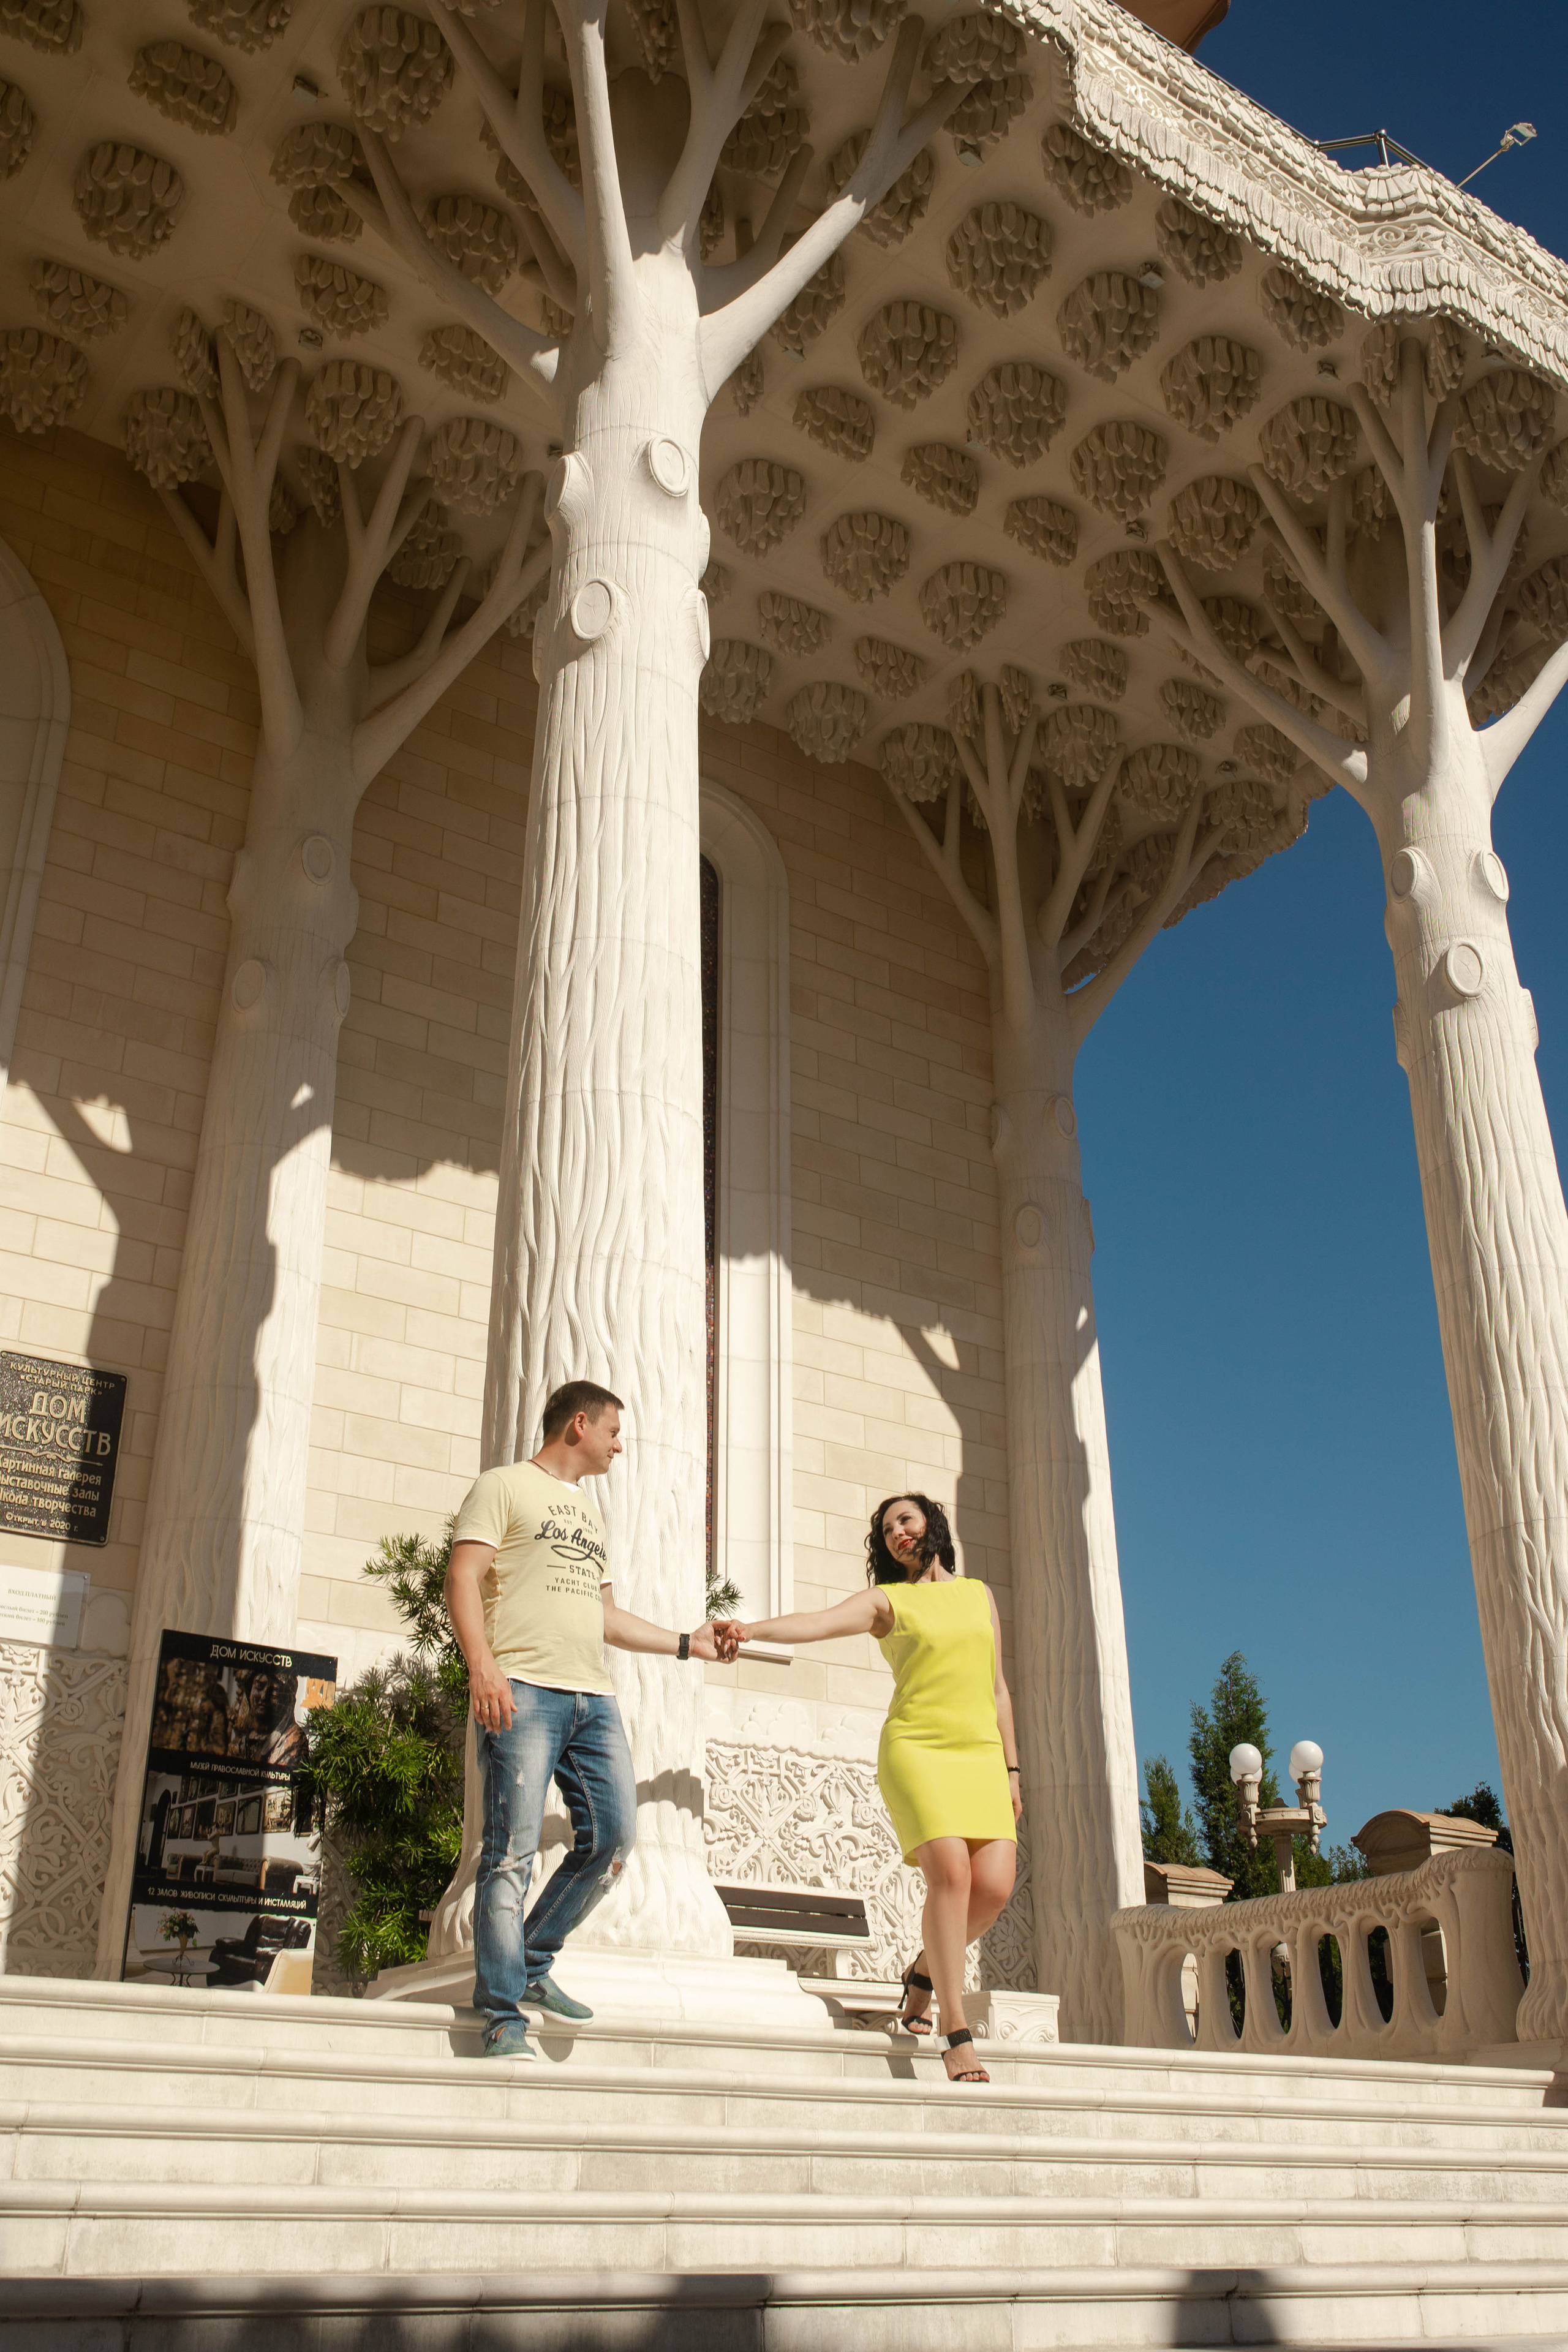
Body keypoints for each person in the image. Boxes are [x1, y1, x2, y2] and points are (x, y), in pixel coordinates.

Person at [445, 1379, 729, 2061]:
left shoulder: (589, 1515)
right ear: (579, 1424)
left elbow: (605, 1616)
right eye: (613, 1432)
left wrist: (688, 1644)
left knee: (612, 1841)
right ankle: (501, 2013)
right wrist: (481, 1665)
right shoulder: (504, 1486)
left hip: (591, 1699)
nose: (619, 1444)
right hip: (524, 1689)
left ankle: (531, 1965)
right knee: (508, 1853)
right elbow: (461, 1576)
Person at [718, 1493, 1020, 2085]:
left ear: (932, 1522)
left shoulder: (979, 1594)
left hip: (981, 1755)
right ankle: (954, 2032)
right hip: (918, 1749)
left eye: (905, 1521)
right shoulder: (890, 1601)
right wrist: (750, 1629)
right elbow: (820, 1622)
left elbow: (999, 1689)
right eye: (886, 1531)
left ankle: (922, 1973)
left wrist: (1013, 1770)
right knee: (951, 1875)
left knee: (994, 1888)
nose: (897, 1535)